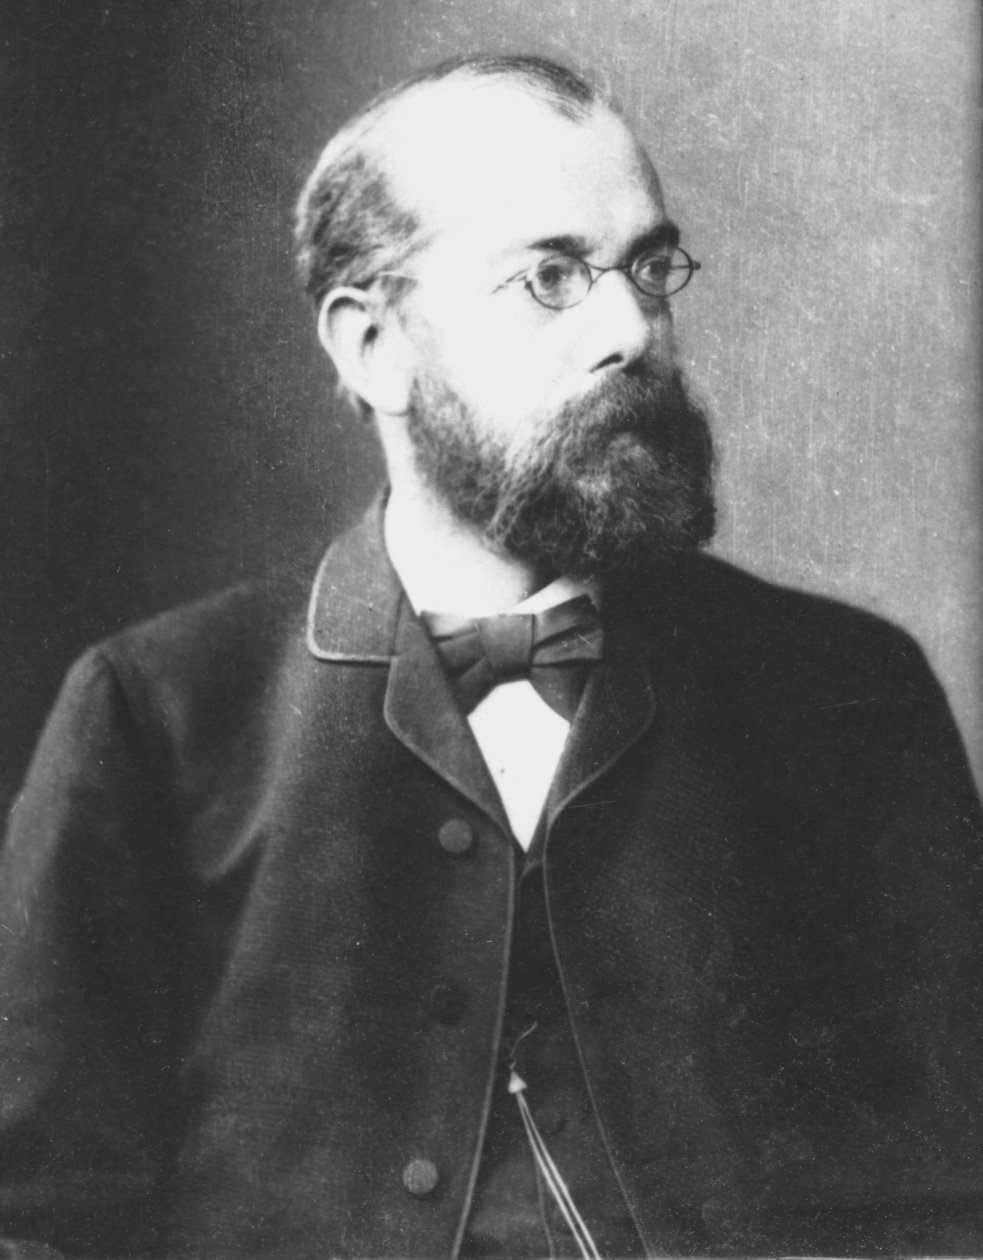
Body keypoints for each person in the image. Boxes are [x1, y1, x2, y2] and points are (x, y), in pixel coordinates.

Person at [1, 53, 981, 1260]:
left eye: (646, 268)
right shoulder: (154, 715)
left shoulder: (845, 694)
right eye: (549, 278)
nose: (629, 330)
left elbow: (951, 1198)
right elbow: (38, 1221)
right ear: (374, 347)